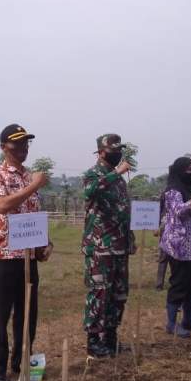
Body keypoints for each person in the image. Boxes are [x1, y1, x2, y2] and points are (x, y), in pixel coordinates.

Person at [0, 124, 51, 381]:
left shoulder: (29, 176)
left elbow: (32, 215)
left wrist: (44, 243)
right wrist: (34, 185)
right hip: (5, 256)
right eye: (17, 144)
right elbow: (2, 205)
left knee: (28, 314)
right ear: (4, 147)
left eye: (26, 144)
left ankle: (21, 362)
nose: (23, 149)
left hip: (28, 257)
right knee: (1, 315)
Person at [81, 134, 136, 358]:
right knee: (99, 293)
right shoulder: (93, 174)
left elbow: (123, 211)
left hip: (120, 245)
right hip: (99, 247)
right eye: (113, 149)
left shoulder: (119, 180)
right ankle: (93, 342)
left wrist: (130, 238)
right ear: (101, 151)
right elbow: (90, 192)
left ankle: (111, 338)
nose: (118, 153)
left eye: (119, 149)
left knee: (118, 294)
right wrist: (115, 173)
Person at [158, 158, 191, 337]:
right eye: (188, 169)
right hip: (180, 246)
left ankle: (189, 319)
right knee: (179, 284)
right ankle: (171, 323)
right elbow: (179, 211)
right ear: (178, 170)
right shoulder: (173, 190)